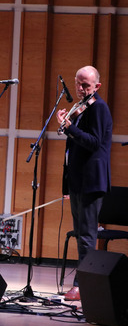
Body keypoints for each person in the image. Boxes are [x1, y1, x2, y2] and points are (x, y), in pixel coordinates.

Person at [56, 65, 112, 301]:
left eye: (86, 85)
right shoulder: (80, 109)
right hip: (78, 180)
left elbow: (95, 143)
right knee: (81, 233)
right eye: (78, 83)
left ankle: (83, 286)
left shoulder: (98, 108)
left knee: (87, 235)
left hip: (91, 180)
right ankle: (82, 284)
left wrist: (70, 128)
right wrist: (67, 126)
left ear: (97, 86)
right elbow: (75, 147)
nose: (80, 89)